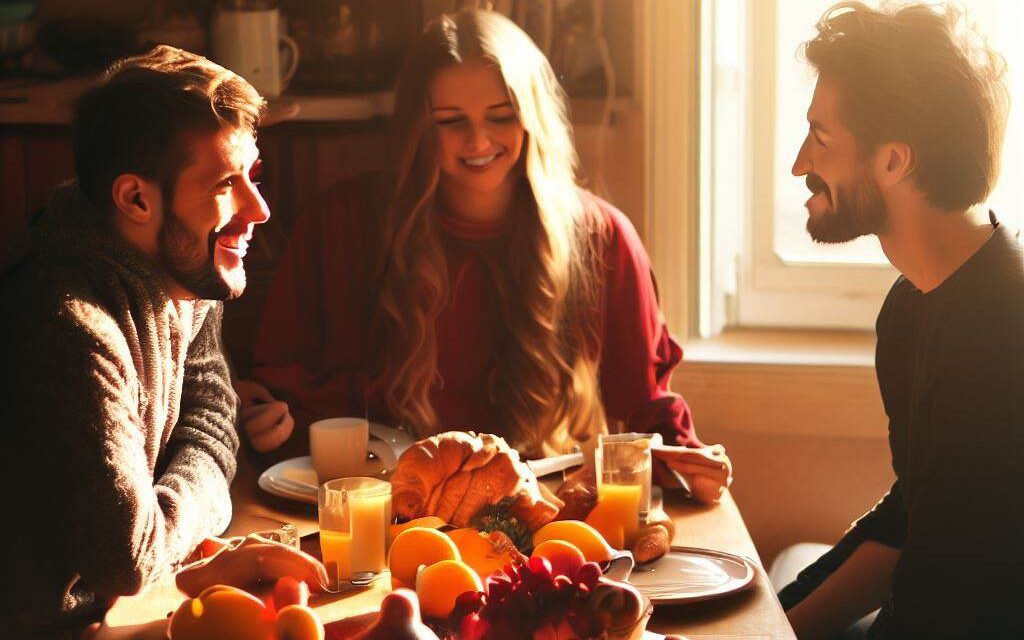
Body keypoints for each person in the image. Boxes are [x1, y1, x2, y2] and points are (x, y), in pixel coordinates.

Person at [238, 9, 732, 501]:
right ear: (416, 128)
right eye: (451, 122)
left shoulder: (603, 237)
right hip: (390, 509)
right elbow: (280, 389)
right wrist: (264, 418)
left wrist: (687, 460)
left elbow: (646, 407)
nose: (478, 141)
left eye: (501, 116)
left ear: (534, 119)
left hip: (547, 511)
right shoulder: (342, 224)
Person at [0, 46, 270, 637]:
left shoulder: (183, 269)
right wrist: (209, 503)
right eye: (227, 182)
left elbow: (213, 414)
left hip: (128, 611)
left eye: (253, 174)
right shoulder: (68, 323)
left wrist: (179, 508)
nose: (259, 209)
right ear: (136, 198)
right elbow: (128, 557)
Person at [779, 2, 1024, 638]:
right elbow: (910, 519)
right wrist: (771, 627)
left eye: (822, 138)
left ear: (894, 161)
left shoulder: (1003, 333)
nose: (801, 163)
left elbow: (949, 598)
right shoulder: (913, 305)